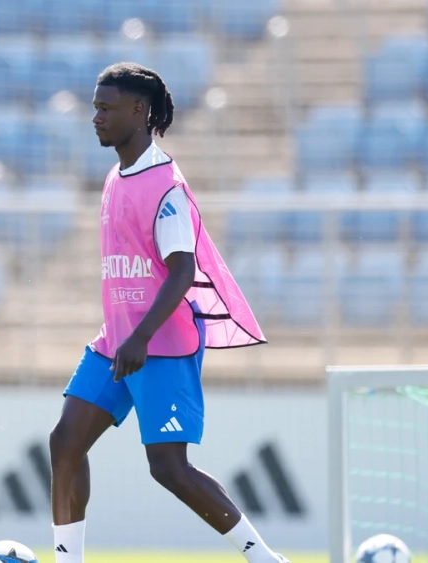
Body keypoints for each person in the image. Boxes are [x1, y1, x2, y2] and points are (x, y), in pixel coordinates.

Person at [48, 62, 287, 563]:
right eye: (95, 107)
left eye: (106, 108)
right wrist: (125, 337)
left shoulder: (167, 187)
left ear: (139, 110)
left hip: (161, 345)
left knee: (169, 469)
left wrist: (140, 338)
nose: (96, 117)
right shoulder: (115, 176)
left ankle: (266, 559)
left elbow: (182, 272)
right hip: (117, 341)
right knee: (66, 441)